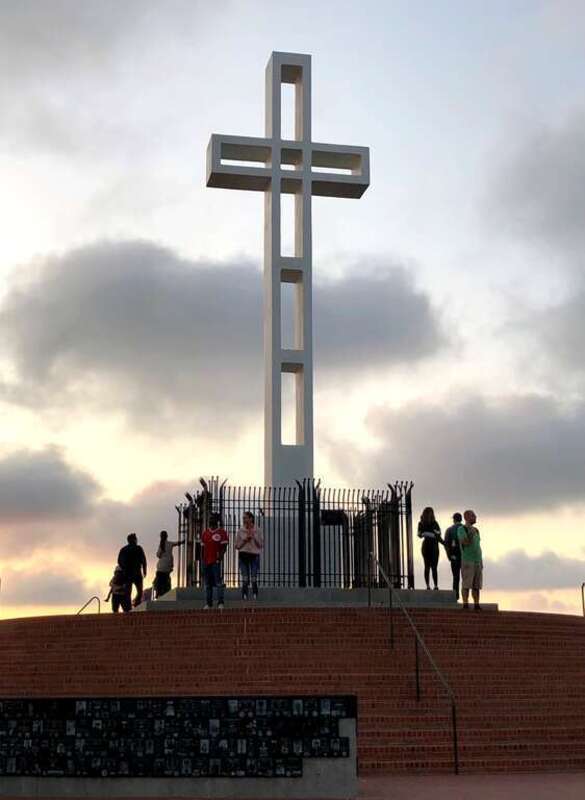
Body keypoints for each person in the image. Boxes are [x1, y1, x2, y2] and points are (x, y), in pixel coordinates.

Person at [201, 513, 229, 609]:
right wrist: (203, 560)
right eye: (210, 519)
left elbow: (224, 547)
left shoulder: (222, 532)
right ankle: (208, 603)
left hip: (215, 561)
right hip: (206, 561)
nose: (210, 520)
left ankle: (220, 602)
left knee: (218, 582)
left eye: (212, 519)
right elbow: (202, 547)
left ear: (216, 521)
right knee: (208, 584)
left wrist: (219, 558)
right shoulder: (205, 533)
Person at [457, 509, 483, 611]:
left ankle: (476, 604)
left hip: (477, 561)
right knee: (466, 584)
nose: (475, 517)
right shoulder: (461, 529)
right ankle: (465, 604)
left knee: (477, 585)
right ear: (467, 517)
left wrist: (481, 561)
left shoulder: (476, 530)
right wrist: (471, 534)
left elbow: (478, 545)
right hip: (467, 560)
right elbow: (465, 543)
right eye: (473, 515)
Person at [235, 511, 263, 600]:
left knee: (254, 577)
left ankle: (255, 594)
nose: (244, 520)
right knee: (245, 578)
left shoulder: (258, 530)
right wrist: (245, 540)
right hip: (243, 556)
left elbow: (261, 544)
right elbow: (237, 546)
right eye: (243, 518)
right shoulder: (240, 531)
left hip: (254, 556)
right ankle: (244, 595)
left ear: (251, 519)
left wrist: (254, 537)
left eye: (245, 518)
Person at [117, 533, 147, 607]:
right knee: (138, 591)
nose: (136, 540)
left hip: (129, 573)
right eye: (135, 539)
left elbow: (119, 561)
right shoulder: (138, 548)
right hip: (135, 573)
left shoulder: (124, 549)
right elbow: (144, 560)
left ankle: (131, 606)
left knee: (129, 592)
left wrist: (124, 569)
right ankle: (135, 604)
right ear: (132, 540)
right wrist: (144, 570)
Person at [417, 507, 442, 590]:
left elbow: (420, 534)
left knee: (427, 566)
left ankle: (429, 585)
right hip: (433, 546)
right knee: (433, 567)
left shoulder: (421, 523)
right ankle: (435, 585)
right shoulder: (435, 523)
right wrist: (433, 534)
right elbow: (438, 535)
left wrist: (426, 533)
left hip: (427, 545)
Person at [154, 530, 184, 599]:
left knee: (159, 582)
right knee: (166, 582)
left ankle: (158, 594)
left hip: (160, 567)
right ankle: (166, 594)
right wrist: (182, 541)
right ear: (167, 536)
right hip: (167, 567)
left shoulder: (161, 545)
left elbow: (158, 555)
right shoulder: (170, 544)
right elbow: (177, 543)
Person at [443, 512, 463, 600]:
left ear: (454, 519)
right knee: (466, 578)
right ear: (461, 519)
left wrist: (449, 556)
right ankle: (465, 596)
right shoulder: (466, 529)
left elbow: (446, 544)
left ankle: (456, 595)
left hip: (454, 556)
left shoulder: (449, 530)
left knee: (456, 577)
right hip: (466, 556)